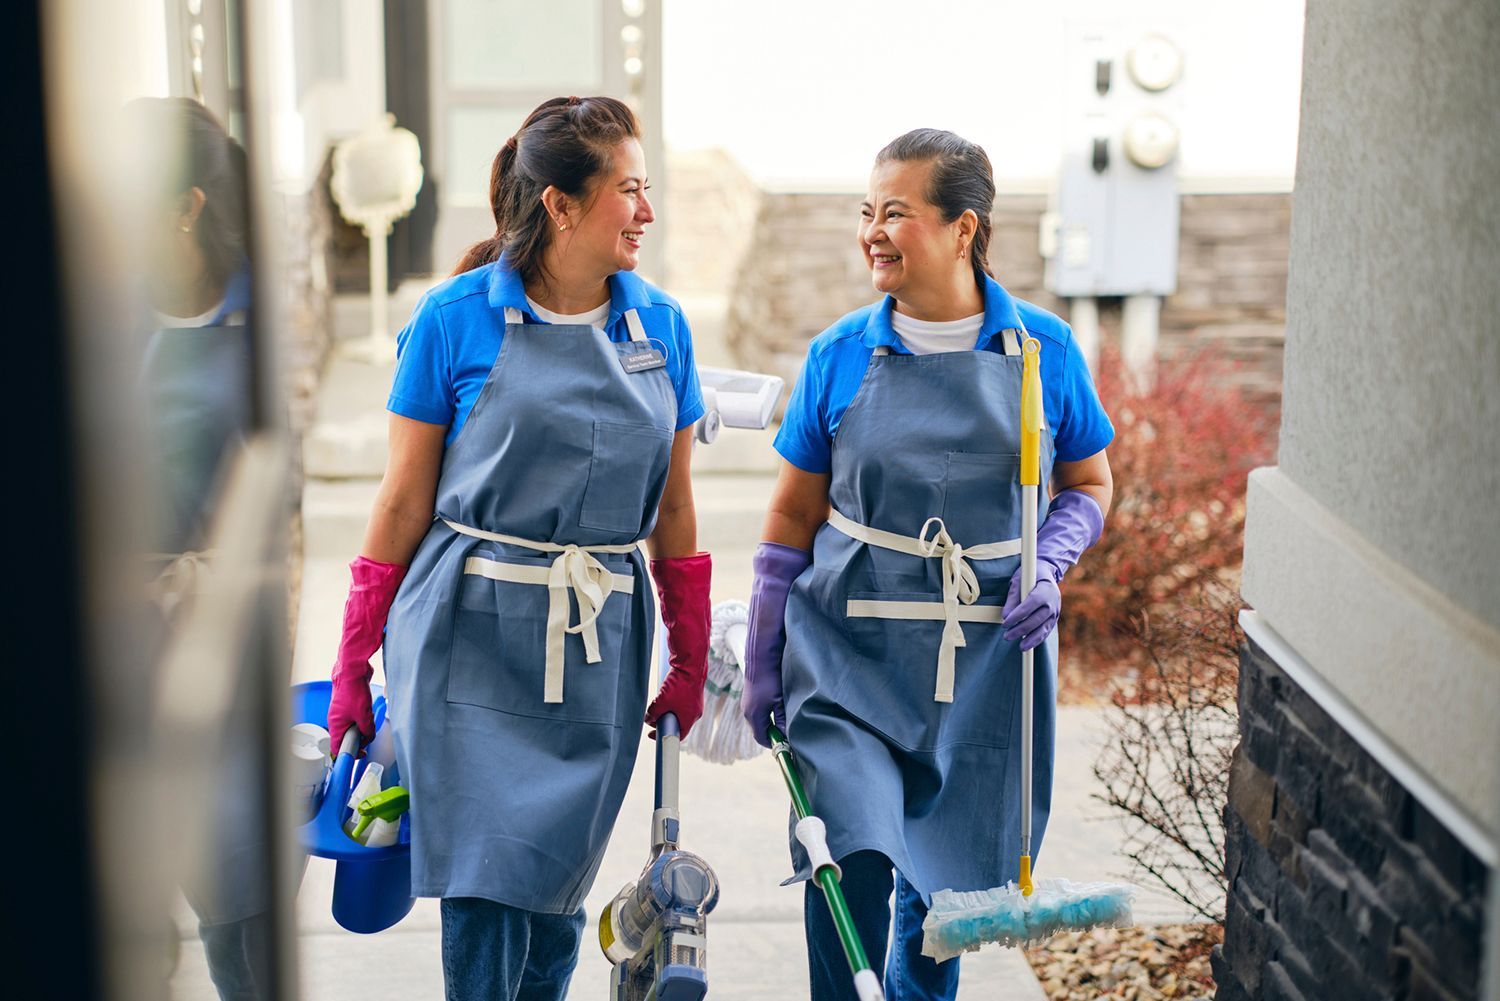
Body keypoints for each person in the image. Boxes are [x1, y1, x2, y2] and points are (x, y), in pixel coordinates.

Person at [325, 96, 711, 1000]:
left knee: (553, 901)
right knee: (488, 889)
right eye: (629, 190)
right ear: (561, 205)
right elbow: (400, 504)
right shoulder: (455, 318)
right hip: (468, 634)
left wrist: (690, 656)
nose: (646, 212)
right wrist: (354, 661)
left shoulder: (664, 329)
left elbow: (678, 507)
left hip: (597, 640)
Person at [742, 129, 1115, 1000]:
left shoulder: (1044, 353)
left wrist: (1049, 560)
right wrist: (762, 658)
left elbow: (1090, 482)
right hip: (848, 658)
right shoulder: (839, 353)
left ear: (962, 228)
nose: (874, 231)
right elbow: (793, 514)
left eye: (897, 213)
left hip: (985, 662)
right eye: (867, 212)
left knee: (941, 899)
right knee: (850, 857)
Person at [133, 96, 268, 1001]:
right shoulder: (93, 310)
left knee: (236, 902)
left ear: (184, 204)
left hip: (222, 642)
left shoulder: (254, 329)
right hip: (112, 648)